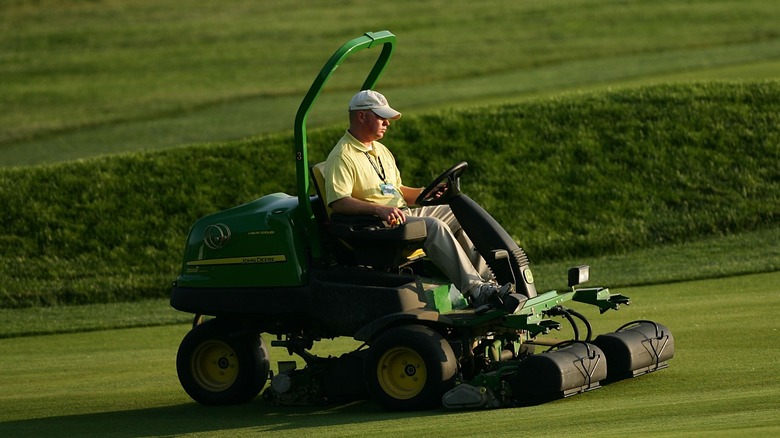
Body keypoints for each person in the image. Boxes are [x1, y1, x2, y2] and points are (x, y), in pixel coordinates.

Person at [323, 89, 514, 307]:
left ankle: (489, 283)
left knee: (457, 213)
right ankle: (475, 290)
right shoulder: (342, 156)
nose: (387, 123)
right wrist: (379, 210)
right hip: (376, 225)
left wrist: (427, 193)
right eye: (381, 117)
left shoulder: (380, 150)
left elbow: (397, 190)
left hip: (400, 215)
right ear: (361, 116)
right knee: (433, 226)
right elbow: (338, 202)